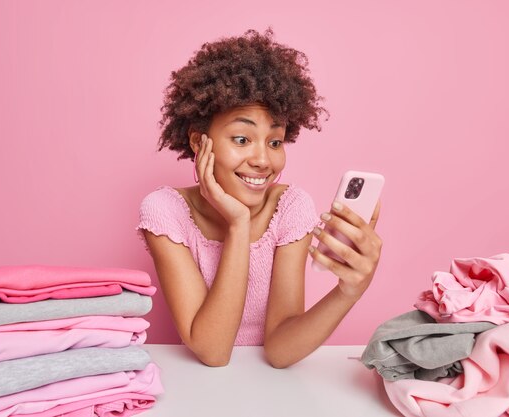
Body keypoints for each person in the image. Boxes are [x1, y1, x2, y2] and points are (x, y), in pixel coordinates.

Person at [137, 28, 382, 368]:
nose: (263, 160)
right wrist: (238, 224)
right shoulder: (166, 212)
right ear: (198, 141)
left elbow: (280, 351)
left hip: (271, 388)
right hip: (200, 385)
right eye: (241, 139)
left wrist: (349, 291)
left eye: (275, 141)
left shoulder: (291, 207)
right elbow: (213, 351)